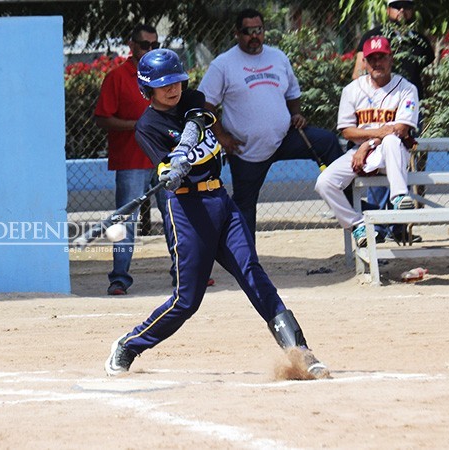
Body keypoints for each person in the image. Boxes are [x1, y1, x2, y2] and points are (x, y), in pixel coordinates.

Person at [105, 49, 330, 380]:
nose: (173, 89)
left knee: (253, 275)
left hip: (220, 202)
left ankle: (301, 352)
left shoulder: (193, 99)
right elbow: (164, 165)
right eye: (164, 85)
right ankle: (129, 344)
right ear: (147, 90)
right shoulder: (147, 127)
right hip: (185, 210)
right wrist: (171, 170)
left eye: (177, 81)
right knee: (187, 300)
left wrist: (183, 151)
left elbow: (196, 124)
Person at [197, 8, 343, 239]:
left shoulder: (278, 57)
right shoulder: (223, 64)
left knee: (327, 141)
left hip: (285, 138)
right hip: (246, 149)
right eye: (248, 31)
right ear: (237, 33)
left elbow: (293, 93)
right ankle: (247, 263)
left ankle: (347, 196)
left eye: (259, 30)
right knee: (245, 207)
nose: (254, 36)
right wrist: (221, 137)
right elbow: (205, 105)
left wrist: (296, 113)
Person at [315, 36, 419, 247]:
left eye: (381, 57)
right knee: (324, 183)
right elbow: (347, 131)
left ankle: (399, 197)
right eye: (372, 59)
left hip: (391, 154)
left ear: (391, 59)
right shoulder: (352, 90)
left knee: (391, 141)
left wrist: (367, 143)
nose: (377, 63)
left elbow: (400, 129)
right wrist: (365, 144)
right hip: (360, 153)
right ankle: (357, 224)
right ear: (364, 62)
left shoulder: (406, 89)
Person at [351, 0, 434, 243]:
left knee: (407, 168)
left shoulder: (419, 40)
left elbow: (426, 74)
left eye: (406, 5)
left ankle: (401, 226)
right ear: (387, 9)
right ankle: (380, 226)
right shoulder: (372, 36)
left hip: (407, 112)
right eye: (396, 5)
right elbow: (358, 72)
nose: (401, 10)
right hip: (379, 113)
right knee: (380, 166)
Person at [93, 24, 158, 296]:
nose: (150, 51)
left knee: (178, 217)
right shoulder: (117, 77)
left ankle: (186, 274)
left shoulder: (164, 74)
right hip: (132, 160)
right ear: (132, 47)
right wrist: (136, 125)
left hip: (164, 159)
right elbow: (101, 118)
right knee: (125, 222)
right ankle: (119, 278)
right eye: (145, 46)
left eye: (155, 46)